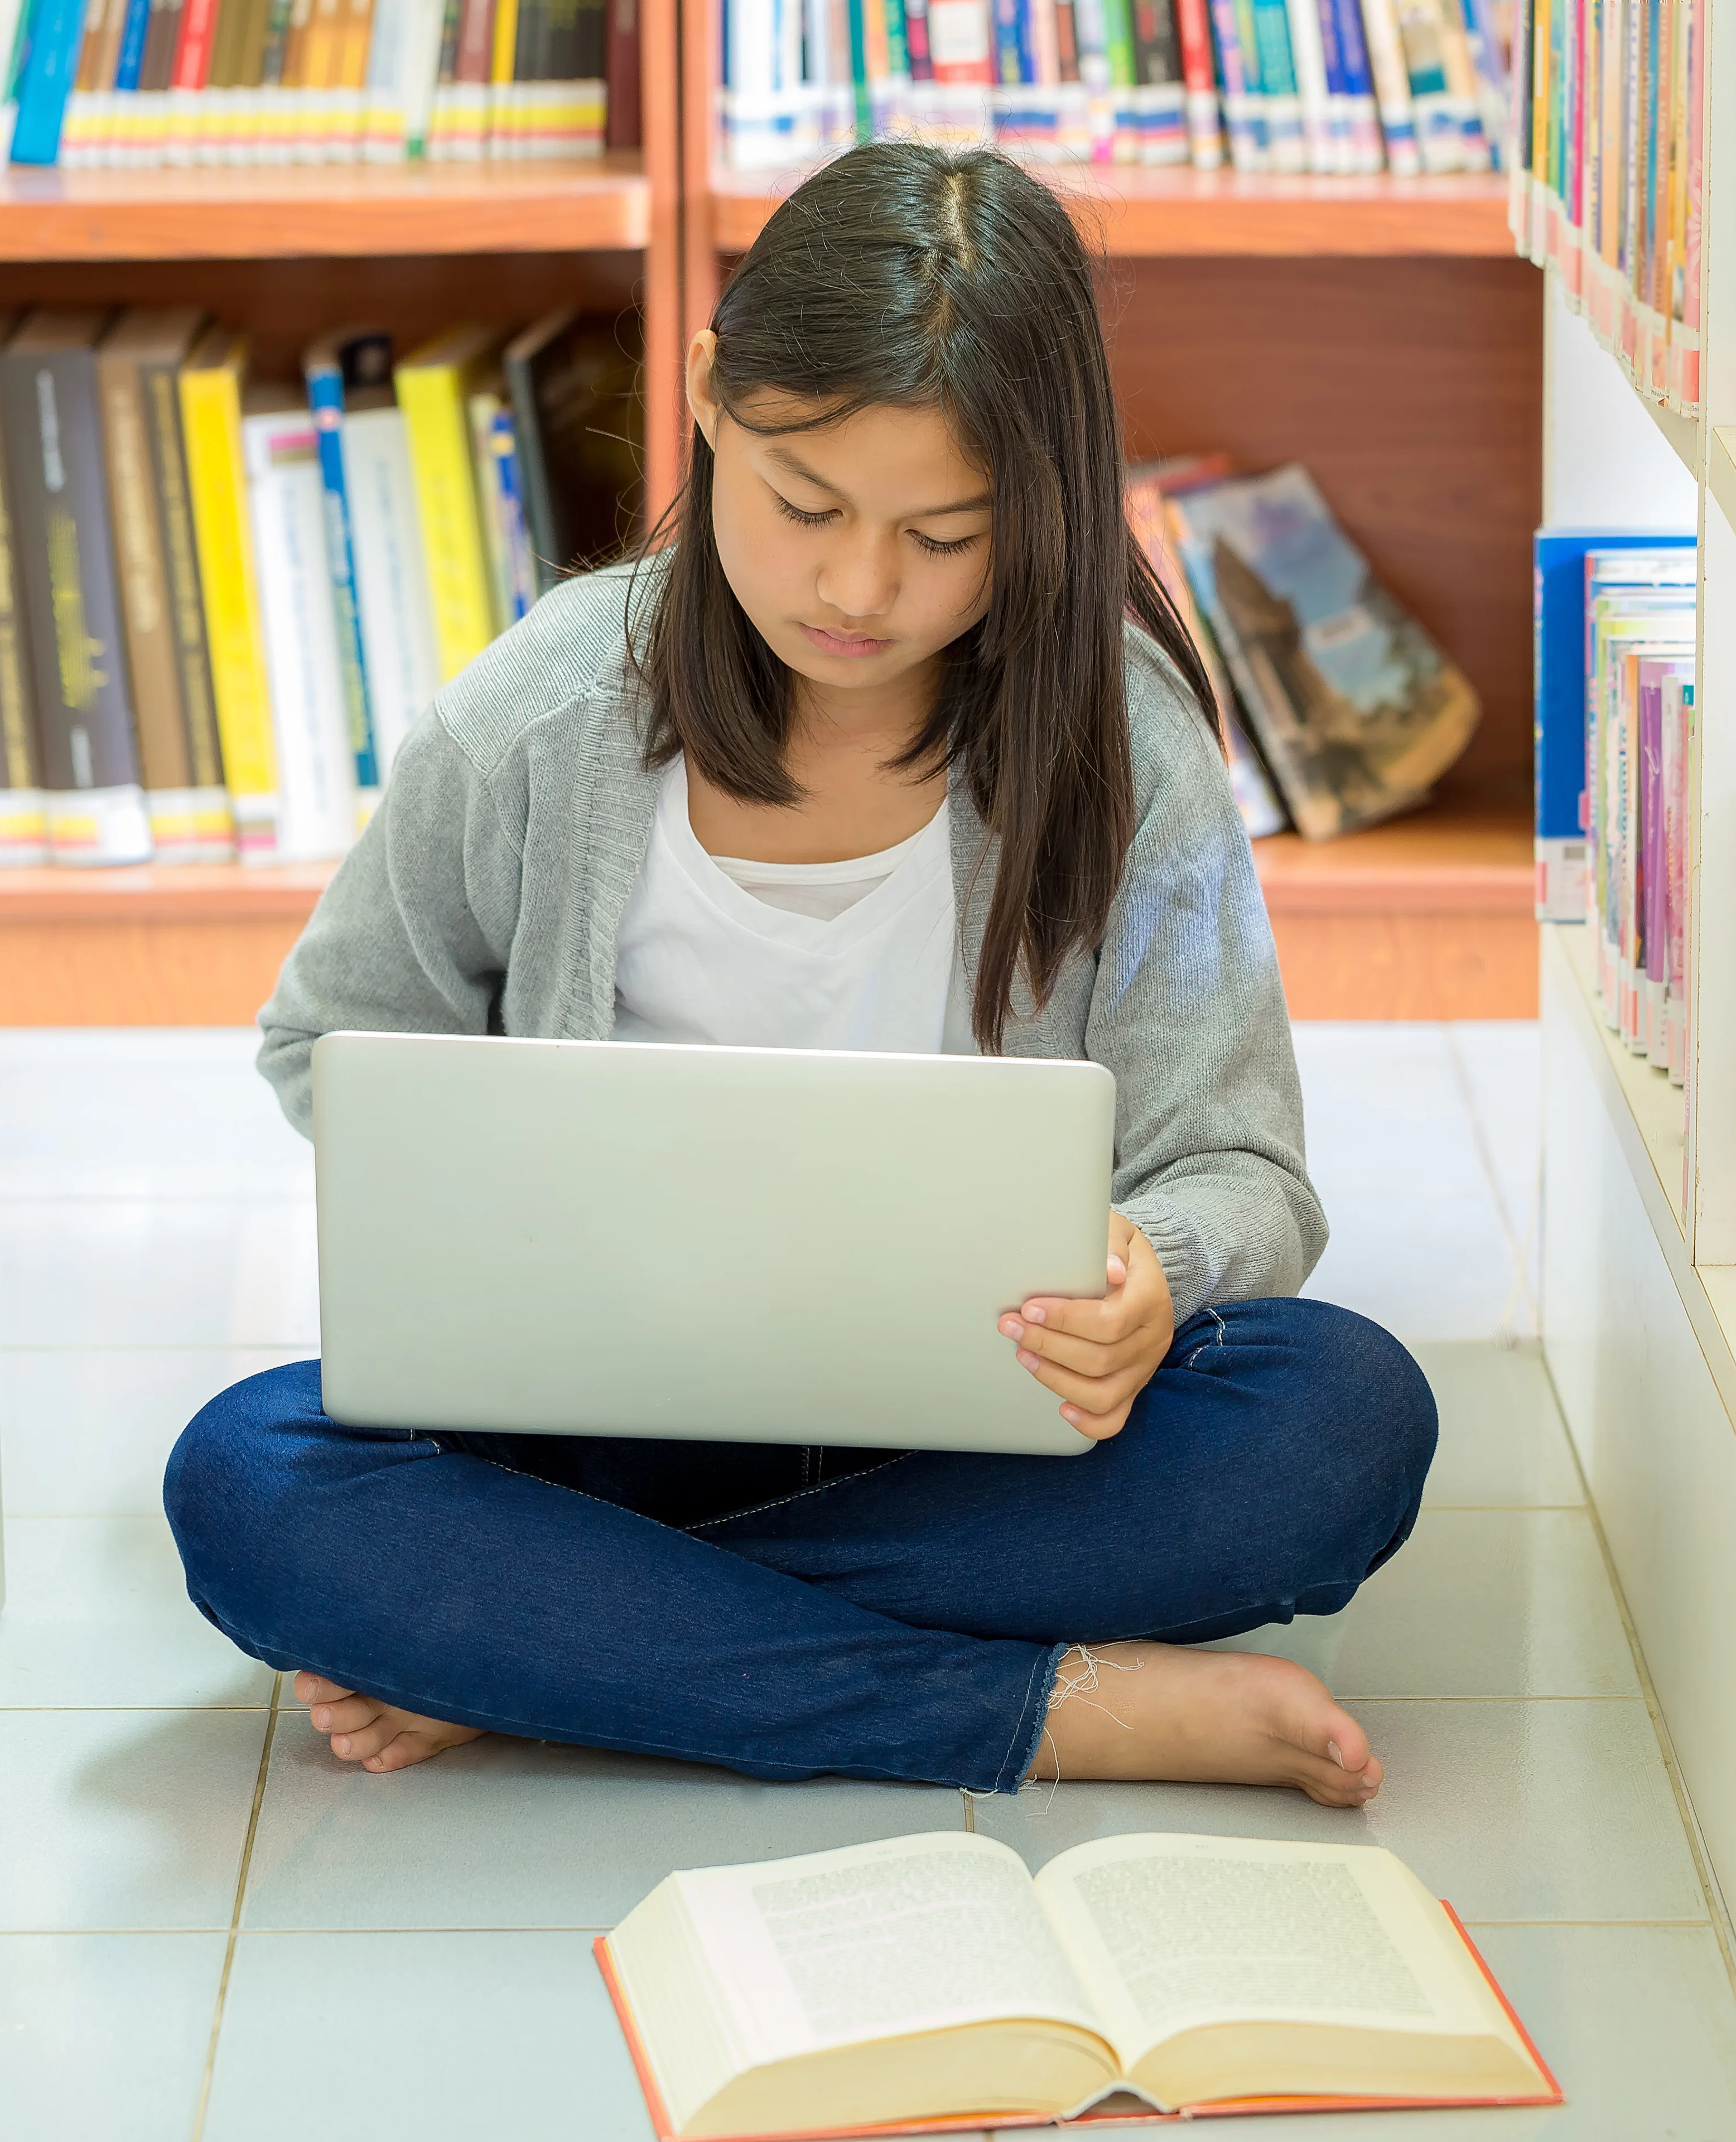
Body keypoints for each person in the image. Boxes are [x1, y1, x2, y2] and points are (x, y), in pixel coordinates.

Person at [163, 138, 1436, 1808]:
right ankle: (1045, 1711)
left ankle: (560, 1649)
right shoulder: (543, 716)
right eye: (807, 505)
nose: (857, 589)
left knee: (1344, 1417)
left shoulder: (1124, 746)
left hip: (978, 1426)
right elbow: (333, 1038)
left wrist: (1157, 1271)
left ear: (1038, 511)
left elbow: (1251, 1174)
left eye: (944, 536)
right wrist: (482, 1207)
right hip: (600, 1426)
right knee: (245, 1481)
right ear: (706, 396)